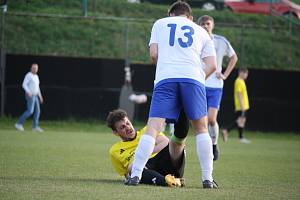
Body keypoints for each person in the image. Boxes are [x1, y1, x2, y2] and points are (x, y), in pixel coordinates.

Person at [126, 2, 218, 189]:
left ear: (170, 14)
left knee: (153, 127)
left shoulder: (160, 23)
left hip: (166, 78)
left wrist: (169, 65)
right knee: (201, 129)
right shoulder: (201, 31)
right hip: (193, 79)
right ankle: (207, 179)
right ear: (190, 17)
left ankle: (135, 174)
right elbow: (213, 65)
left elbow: (153, 55)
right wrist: (198, 78)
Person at [107, 109, 188, 187]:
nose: (128, 127)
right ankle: (168, 181)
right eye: (122, 127)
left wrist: (142, 153)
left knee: (175, 144)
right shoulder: (114, 151)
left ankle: (183, 113)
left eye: (128, 123)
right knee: (133, 167)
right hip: (147, 171)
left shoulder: (147, 132)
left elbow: (165, 142)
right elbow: (127, 175)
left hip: (168, 163)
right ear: (116, 132)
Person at [198, 15, 238, 160]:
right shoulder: (195, 40)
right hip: (199, 84)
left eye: (208, 23)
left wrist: (225, 74)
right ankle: (208, 147)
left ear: (212, 25)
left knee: (212, 119)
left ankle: (214, 145)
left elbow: (234, 57)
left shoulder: (221, 41)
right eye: (202, 24)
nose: (205, 26)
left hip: (215, 86)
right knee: (201, 121)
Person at [221, 68, 251, 144]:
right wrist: (242, 107)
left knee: (242, 121)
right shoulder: (239, 81)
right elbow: (239, 94)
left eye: (247, 73)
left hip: (243, 105)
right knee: (240, 121)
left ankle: (240, 137)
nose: (246, 75)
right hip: (242, 106)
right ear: (240, 73)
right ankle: (227, 130)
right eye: (245, 73)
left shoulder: (241, 81)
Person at [14, 63, 44, 132]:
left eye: (36, 68)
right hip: (30, 95)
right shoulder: (28, 75)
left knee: (38, 111)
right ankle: (18, 124)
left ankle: (35, 127)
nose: (35, 69)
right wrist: (28, 92)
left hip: (36, 95)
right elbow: (24, 84)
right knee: (30, 111)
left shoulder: (36, 76)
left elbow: (37, 87)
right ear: (31, 68)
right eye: (33, 68)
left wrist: (40, 96)